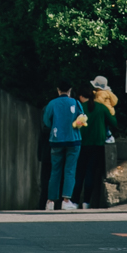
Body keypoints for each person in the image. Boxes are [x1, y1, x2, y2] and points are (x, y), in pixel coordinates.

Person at [42, 81, 86, 211]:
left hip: (56, 140)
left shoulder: (52, 104)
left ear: (58, 90)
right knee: (70, 170)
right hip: (73, 140)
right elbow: (82, 118)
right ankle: (66, 200)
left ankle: (50, 201)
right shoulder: (76, 103)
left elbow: (46, 121)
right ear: (70, 90)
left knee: (55, 170)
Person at [76, 75, 119, 209]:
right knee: (90, 173)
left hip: (81, 144)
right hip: (97, 145)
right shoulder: (101, 108)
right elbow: (114, 123)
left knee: (78, 173)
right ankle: (86, 202)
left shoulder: (80, 107)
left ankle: (74, 201)